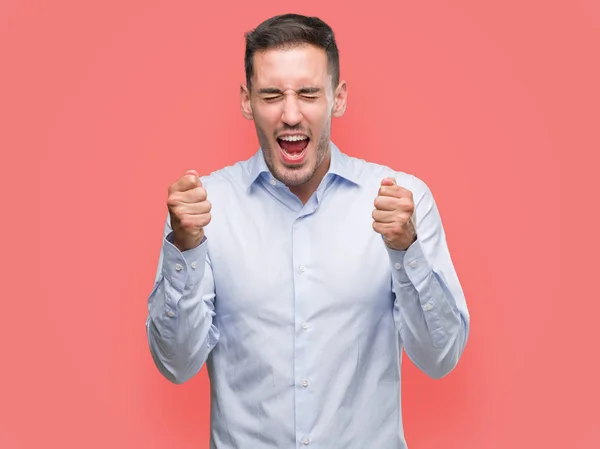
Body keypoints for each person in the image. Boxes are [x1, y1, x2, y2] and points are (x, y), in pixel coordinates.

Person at [146, 13, 470, 449]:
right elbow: (176, 365)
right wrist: (183, 250)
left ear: (338, 98)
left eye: (309, 93)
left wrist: (407, 249)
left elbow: (440, 358)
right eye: (272, 94)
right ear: (247, 101)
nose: (291, 113)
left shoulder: (402, 200)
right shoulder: (204, 209)